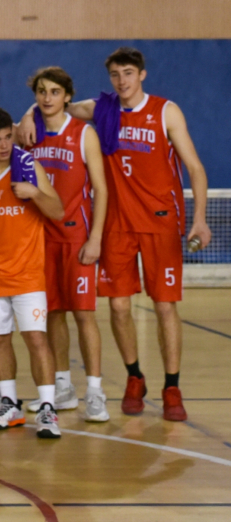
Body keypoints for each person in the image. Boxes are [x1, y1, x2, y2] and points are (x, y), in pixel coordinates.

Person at [20, 47, 210, 421]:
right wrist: (28, 113)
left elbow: (195, 167)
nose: (121, 81)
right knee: (119, 308)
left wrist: (200, 219)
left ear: (142, 75)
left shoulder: (166, 111)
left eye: (128, 73)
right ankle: (134, 377)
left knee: (164, 306)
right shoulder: (102, 109)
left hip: (159, 221)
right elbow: (55, 104)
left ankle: (172, 386)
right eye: (115, 74)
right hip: (116, 225)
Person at [0, 108, 64, 438]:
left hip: (27, 274)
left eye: (8, 138)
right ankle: (9, 403)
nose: (4, 145)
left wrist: (35, 193)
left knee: (36, 339)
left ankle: (48, 407)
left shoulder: (28, 167)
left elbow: (58, 211)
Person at [26, 67, 110, 422]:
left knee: (84, 314)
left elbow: (101, 189)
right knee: (53, 313)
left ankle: (95, 391)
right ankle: (62, 387)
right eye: (42, 91)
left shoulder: (83, 134)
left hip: (77, 236)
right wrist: (26, 116)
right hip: (41, 237)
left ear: (67, 96)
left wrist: (96, 238)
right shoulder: (29, 133)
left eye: (55, 91)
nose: (48, 98)